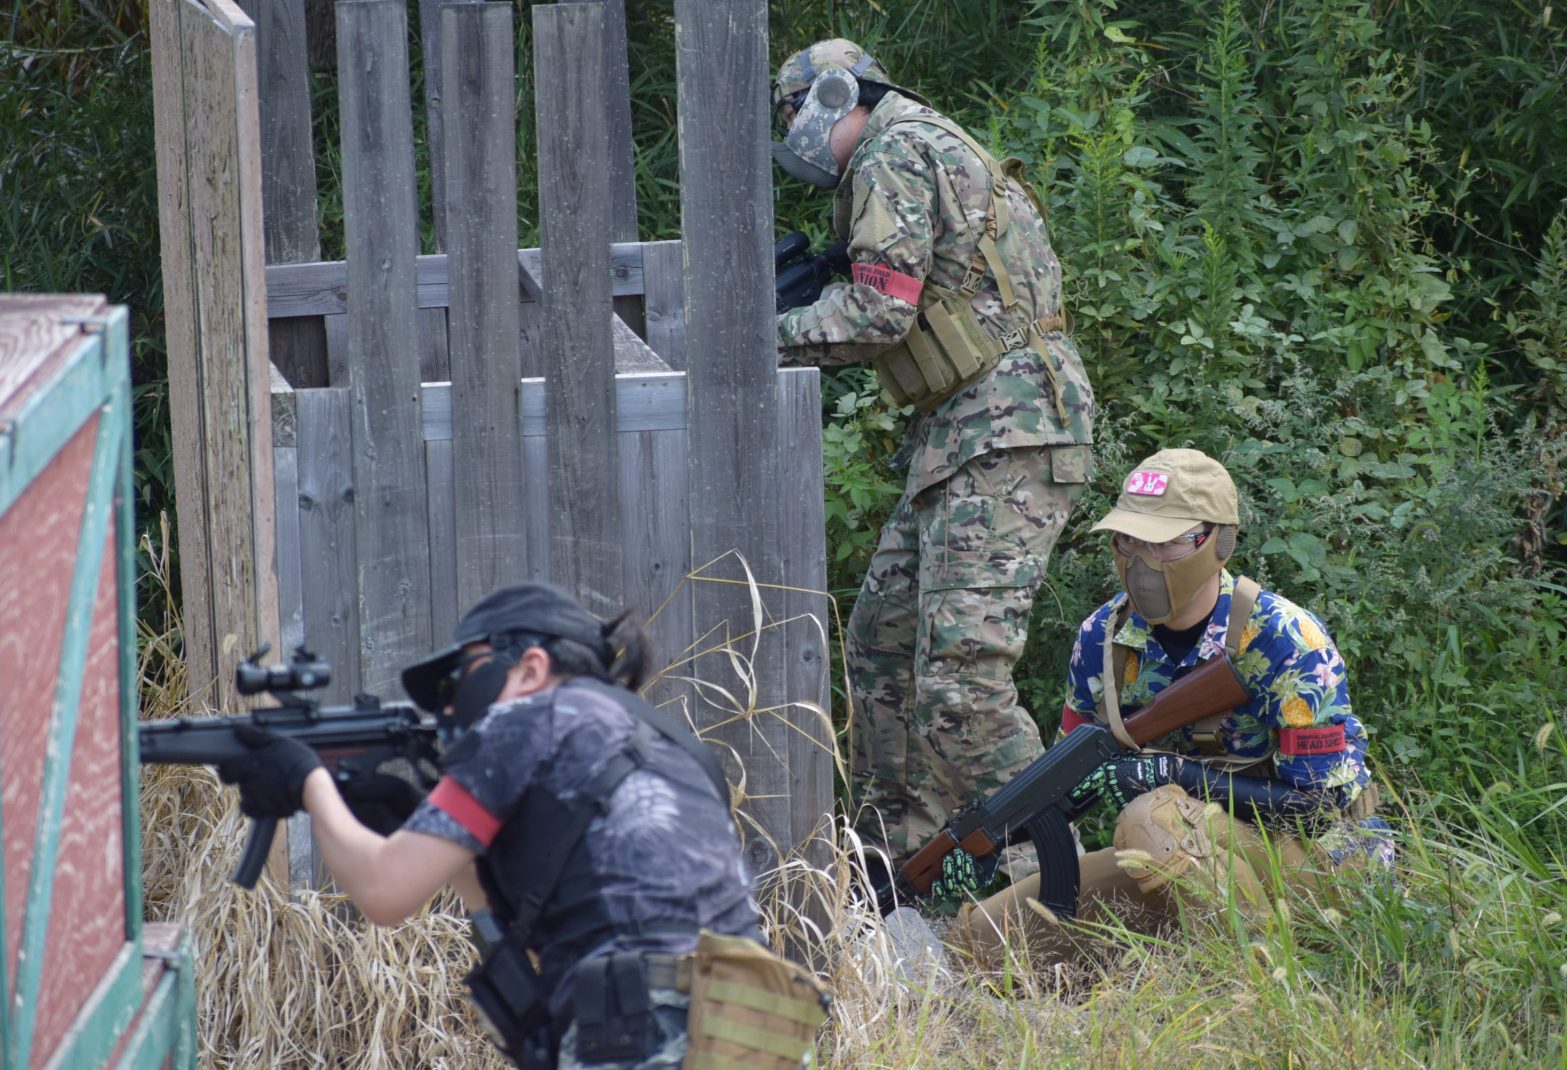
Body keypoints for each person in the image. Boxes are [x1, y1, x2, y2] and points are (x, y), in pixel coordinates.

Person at [217, 582, 826, 1070]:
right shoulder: (669, 745)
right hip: (751, 1028)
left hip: (640, 1026)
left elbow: (382, 893)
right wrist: (431, 832)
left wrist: (306, 779)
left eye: (461, 679)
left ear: (531, 667)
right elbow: (556, 932)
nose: (450, 706)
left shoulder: (524, 720)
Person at [771, 38, 1096, 871]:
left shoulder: (894, 151)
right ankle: (901, 868)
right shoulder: (920, 146)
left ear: (837, 95)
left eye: (793, 110)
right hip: (966, 435)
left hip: (1006, 432)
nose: (791, 131)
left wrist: (755, 335)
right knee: (882, 643)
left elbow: (878, 314)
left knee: (962, 679)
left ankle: (1060, 883)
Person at [951, 449, 1394, 964]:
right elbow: (1068, 785)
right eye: (1128, 541)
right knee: (983, 941)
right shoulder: (1102, 639)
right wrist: (993, 841)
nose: (1142, 562)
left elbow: (1320, 808)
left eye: (1164, 543)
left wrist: (1174, 774)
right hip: (1178, 858)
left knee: (1151, 818)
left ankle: (1255, 985)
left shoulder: (1282, 638)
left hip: (1319, 867)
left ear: (1219, 542)